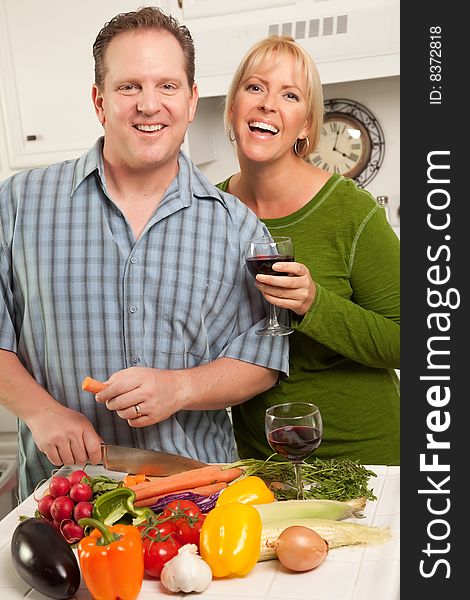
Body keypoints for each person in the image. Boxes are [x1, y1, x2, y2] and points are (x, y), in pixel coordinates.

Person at [0, 8, 289, 500]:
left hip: (195, 499)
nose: (149, 105)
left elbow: (262, 355)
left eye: (168, 86)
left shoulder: (239, 228)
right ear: (99, 101)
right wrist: (41, 411)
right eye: (129, 86)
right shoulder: (19, 204)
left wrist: (180, 388)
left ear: (192, 100)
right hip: (64, 496)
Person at [217, 36, 400, 465]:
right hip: (264, 463)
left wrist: (315, 303)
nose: (267, 104)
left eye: (290, 95)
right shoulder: (209, 213)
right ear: (233, 108)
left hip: (365, 458)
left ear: (305, 126)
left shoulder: (349, 211)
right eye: (255, 87)